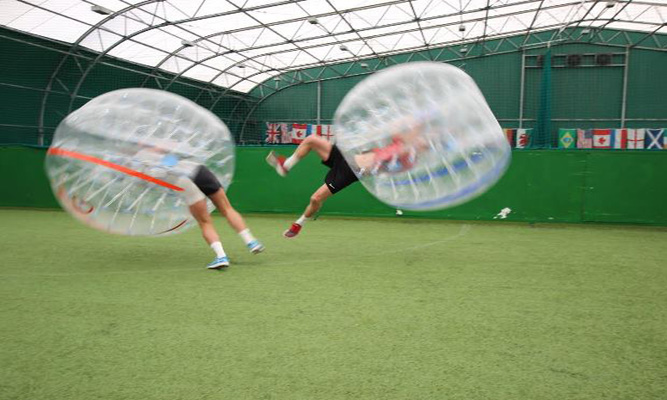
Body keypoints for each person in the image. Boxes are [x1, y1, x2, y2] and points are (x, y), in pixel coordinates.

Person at [265, 119, 430, 238]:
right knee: (311, 140)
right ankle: (285, 165)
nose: (417, 136)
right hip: (347, 157)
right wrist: (416, 121)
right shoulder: (401, 142)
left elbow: (388, 171)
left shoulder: (408, 160)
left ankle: (298, 224)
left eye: (423, 141)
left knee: (315, 199)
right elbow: (396, 127)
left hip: (351, 172)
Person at [139, 146, 264, 270]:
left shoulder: (143, 158)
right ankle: (251, 241)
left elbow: (151, 179)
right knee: (227, 209)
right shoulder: (164, 143)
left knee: (205, 222)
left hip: (184, 180)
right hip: (200, 171)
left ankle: (221, 256)